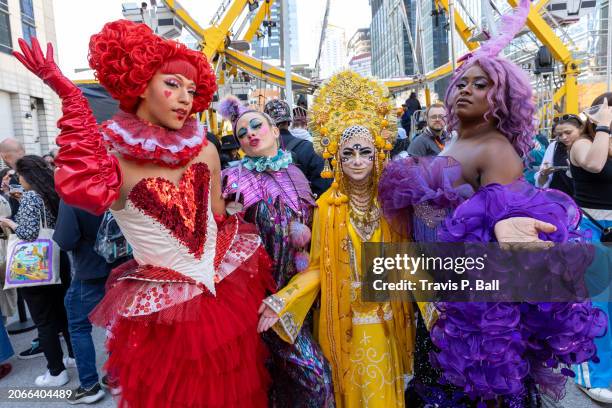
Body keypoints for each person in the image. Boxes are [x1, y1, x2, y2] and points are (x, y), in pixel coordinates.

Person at [13, 20, 272, 407]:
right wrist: (69, 94)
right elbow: (85, 178)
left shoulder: (207, 151)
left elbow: (218, 212)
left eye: (192, 90)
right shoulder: (117, 167)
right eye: (172, 84)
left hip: (224, 293)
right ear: (139, 84)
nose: (185, 98)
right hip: (167, 317)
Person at [379, 0, 607, 405]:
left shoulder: (494, 148)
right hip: (439, 285)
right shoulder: (454, 141)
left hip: (472, 302)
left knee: (471, 390)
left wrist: (503, 222)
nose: (467, 89)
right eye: (463, 83)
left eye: (481, 84)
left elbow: (508, 213)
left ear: (501, 97)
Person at [258, 71, 415, 408]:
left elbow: (410, 261)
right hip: (347, 326)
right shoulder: (329, 206)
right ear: (335, 158)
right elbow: (319, 269)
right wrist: (283, 300)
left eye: (364, 152)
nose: (357, 162)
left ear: (378, 154)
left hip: (388, 324)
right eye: (348, 154)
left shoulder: (393, 201)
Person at [220, 96, 334, 407]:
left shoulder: (296, 173)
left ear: (274, 130)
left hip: (302, 294)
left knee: (282, 383)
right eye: (242, 133)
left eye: (256, 126)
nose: (250, 134)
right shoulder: (231, 181)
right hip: (261, 301)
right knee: (316, 377)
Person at [0, 155, 74, 387]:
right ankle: (72, 357)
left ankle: (55, 371)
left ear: (28, 175)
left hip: (35, 265)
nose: (18, 180)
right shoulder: (52, 192)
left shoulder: (31, 196)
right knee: (61, 313)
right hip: (56, 258)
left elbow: (28, 233)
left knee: (43, 319)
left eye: (19, 175)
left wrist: (9, 223)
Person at [53, 200, 125, 404]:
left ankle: (89, 386)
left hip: (89, 270)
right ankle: (117, 377)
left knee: (78, 327)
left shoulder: (73, 195)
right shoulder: (115, 185)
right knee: (116, 324)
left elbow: (65, 240)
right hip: (120, 266)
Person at [569, 93, 612, 404]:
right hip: (591, 233)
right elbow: (595, 165)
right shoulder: (582, 145)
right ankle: (591, 377)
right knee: (596, 308)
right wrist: (604, 126)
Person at [264, 99, 331, 198]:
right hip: (306, 209)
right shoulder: (309, 148)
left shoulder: (260, 153)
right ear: (289, 122)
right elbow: (324, 187)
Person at [535, 114, 582, 196]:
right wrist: (544, 174)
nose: (564, 137)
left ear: (581, 129)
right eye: (560, 135)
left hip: (585, 202)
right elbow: (541, 184)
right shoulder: (554, 146)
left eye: (568, 132)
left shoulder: (590, 146)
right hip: (560, 200)